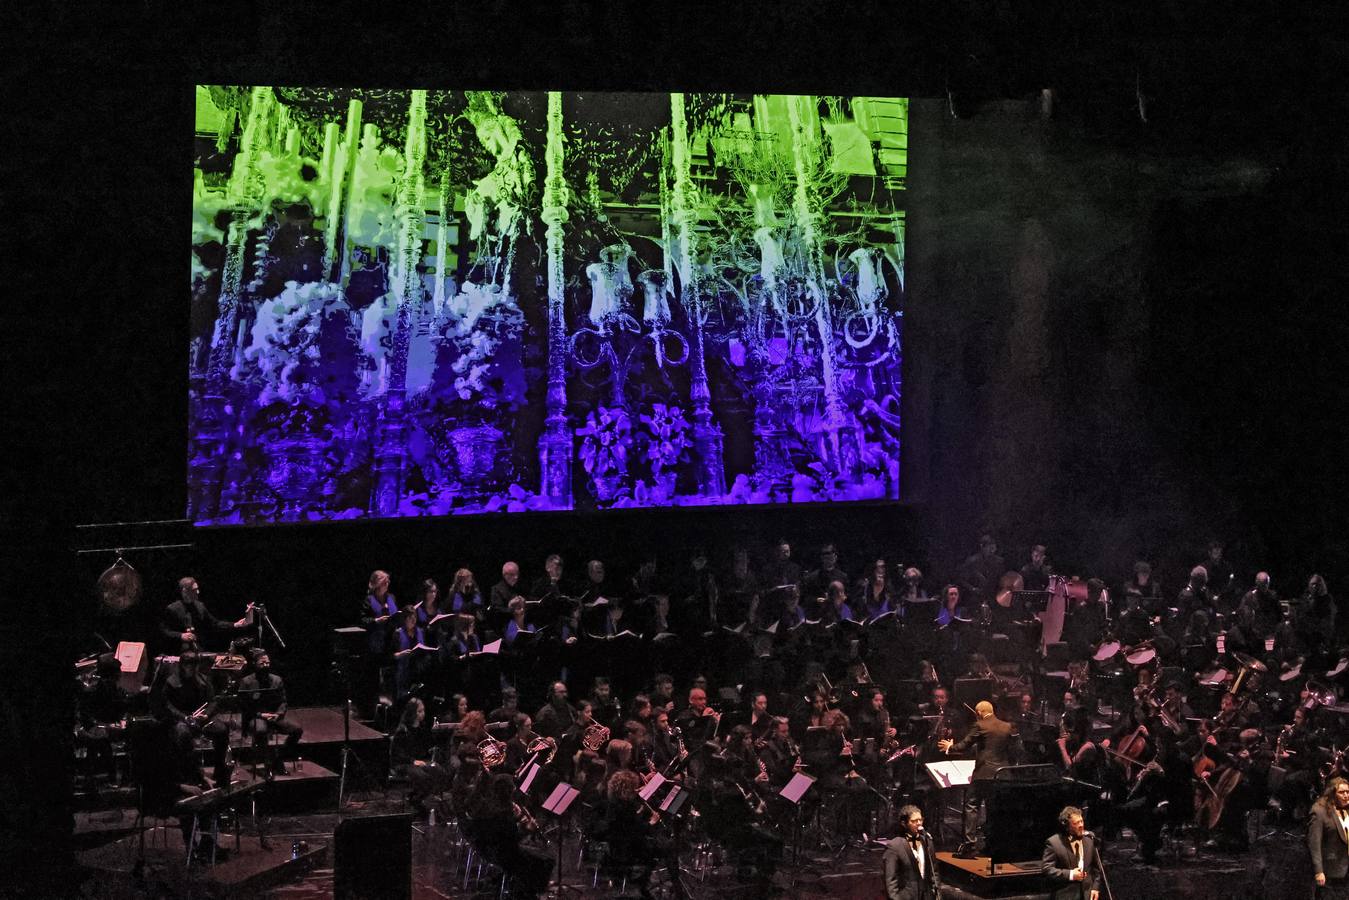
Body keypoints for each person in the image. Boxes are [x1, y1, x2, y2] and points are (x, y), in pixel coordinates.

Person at [939, 699, 1017, 855]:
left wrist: (949, 747)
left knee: (971, 804)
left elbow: (964, 745)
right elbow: (1013, 751)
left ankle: (969, 845)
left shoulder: (980, 725)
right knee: (993, 808)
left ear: (980, 713)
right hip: (1002, 774)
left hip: (984, 774)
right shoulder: (1007, 726)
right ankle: (993, 843)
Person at [238, 651, 303, 776]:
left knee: (297, 730)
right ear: (254, 664)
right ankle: (267, 765)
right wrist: (261, 715)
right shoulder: (246, 681)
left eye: (268, 662)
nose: (266, 665)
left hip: (274, 716)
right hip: (255, 717)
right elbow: (244, 706)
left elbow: (283, 701)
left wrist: (278, 714)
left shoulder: (277, 680)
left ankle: (278, 759)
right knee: (261, 730)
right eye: (262, 663)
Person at [160, 576, 251, 651]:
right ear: (184, 591)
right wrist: (180, 635)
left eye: (197, 589)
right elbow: (164, 631)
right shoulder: (172, 609)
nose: (198, 592)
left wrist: (235, 624)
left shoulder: (200, 606)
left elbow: (215, 623)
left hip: (198, 651)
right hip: (178, 653)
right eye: (194, 590)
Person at [1042, 806, 1101, 900]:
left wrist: (1095, 888)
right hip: (1065, 895)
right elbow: (1047, 869)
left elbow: (1096, 868)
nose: (1081, 825)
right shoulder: (1054, 843)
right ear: (1067, 826)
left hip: (1088, 895)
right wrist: (1070, 874)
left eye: (1081, 821)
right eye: (1076, 823)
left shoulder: (1089, 840)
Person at [883, 804, 941, 900]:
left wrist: (937, 894)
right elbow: (890, 881)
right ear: (904, 823)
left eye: (920, 820)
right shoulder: (894, 846)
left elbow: (934, 872)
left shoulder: (927, 841)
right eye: (914, 821)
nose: (919, 823)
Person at [1308, 777, 1349, 897]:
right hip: (1330, 869)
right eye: (1342, 792)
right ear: (1332, 793)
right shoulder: (1320, 811)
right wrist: (1318, 871)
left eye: (1348, 792)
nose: (1346, 795)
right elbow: (1314, 843)